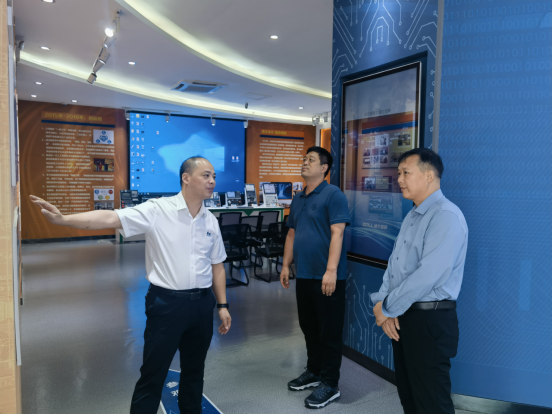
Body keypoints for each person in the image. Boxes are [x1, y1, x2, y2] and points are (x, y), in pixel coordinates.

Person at [30, 156, 232, 414]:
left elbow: (217, 265)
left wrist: (222, 305)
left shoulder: (210, 220)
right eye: (206, 175)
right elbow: (109, 218)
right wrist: (63, 219)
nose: (212, 181)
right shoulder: (158, 210)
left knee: (194, 372)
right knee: (153, 374)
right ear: (186, 178)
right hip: (167, 305)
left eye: (214, 176)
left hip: (202, 305)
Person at [371, 148, 468, 414]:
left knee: (431, 404)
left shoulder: (446, 216)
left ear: (429, 176)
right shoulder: (413, 215)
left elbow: (426, 276)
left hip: (429, 321)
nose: (399, 179)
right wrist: (382, 302)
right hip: (403, 317)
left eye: (406, 173)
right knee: (410, 398)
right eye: (398, 173)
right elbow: (395, 266)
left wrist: (386, 308)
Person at [280, 146, 350, 409]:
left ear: (324, 168)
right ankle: (314, 371)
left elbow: (337, 233)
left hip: (327, 277)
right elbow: (291, 234)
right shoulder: (298, 198)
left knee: (328, 332)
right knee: (309, 327)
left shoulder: (334, 195)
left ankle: (330, 384)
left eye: (311, 160)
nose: (305, 162)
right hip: (304, 274)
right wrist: (285, 265)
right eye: (304, 159)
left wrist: (331, 271)